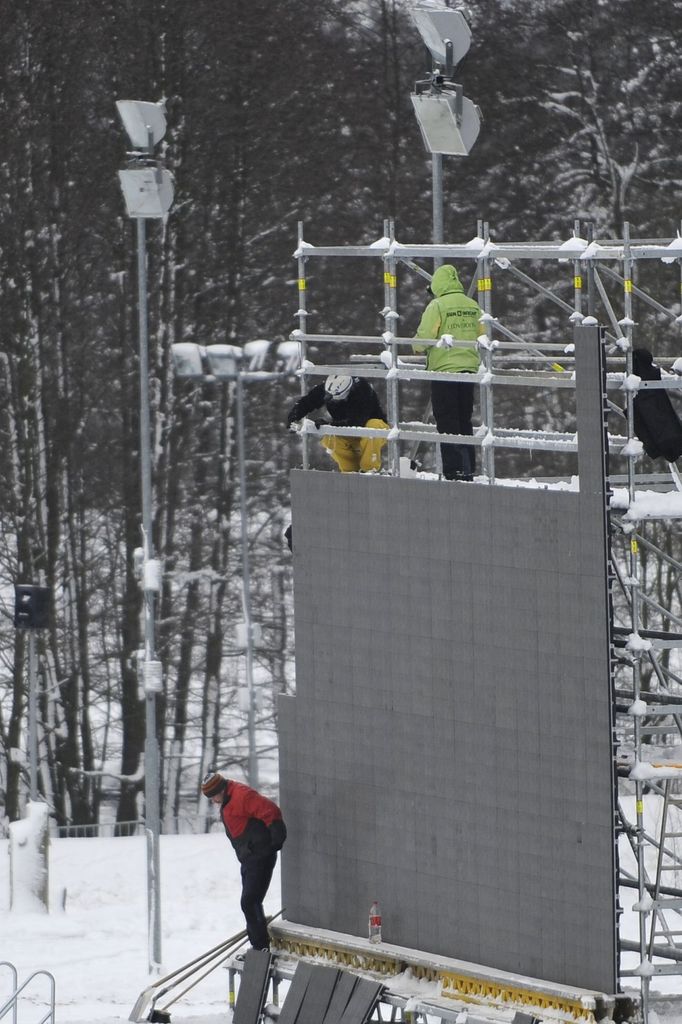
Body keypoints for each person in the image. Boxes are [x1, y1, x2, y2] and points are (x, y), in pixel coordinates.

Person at [202, 771, 286, 950]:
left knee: (249, 901)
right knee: (251, 901)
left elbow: (270, 810)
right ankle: (259, 939)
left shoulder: (241, 795)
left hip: (259, 855)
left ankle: (261, 947)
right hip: (249, 857)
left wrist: (276, 838)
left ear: (220, 790)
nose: (213, 801)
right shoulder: (228, 798)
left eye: (212, 797)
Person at [413, 264, 482, 481]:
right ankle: (468, 467)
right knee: (464, 419)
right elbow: (482, 334)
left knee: (447, 420)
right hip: (468, 368)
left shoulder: (438, 305)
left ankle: (454, 469)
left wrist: (415, 345)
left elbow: (424, 338)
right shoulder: (472, 305)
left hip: (444, 370)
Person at [286, 374, 389, 473]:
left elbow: (357, 422)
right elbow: (307, 402)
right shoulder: (329, 388)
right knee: (330, 439)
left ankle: (369, 470)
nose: (328, 398)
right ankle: (350, 471)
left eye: (333, 397)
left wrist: (329, 425)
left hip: (374, 429)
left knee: (372, 428)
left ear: (345, 392)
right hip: (347, 431)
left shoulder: (362, 391)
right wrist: (293, 417)